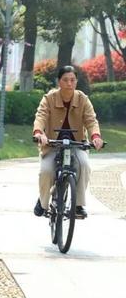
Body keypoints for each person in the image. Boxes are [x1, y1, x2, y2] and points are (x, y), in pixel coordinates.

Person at [32, 65, 104, 218]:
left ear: (76, 82)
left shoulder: (83, 99)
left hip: (76, 144)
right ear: (59, 81)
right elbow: (41, 116)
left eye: (72, 80)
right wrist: (39, 133)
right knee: (46, 171)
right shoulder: (49, 98)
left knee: (84, 165)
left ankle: (78, 205)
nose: (69, 84)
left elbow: (91, 120)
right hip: (52, 145)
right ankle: (43, 202)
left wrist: (95, 136)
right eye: (65, 80)